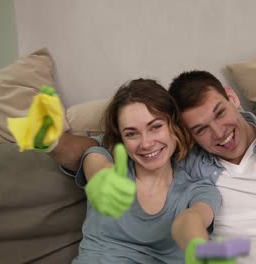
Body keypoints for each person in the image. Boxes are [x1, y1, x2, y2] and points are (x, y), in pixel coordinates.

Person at [40, 26, 256, 264]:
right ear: (184, 133)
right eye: (200, 129)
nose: (219, 133)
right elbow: (94, 151)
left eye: (220, 113)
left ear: (232, 98)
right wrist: (62, 144)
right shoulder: (188, 165)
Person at [69, 79, 225, 264]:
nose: (146, 143)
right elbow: (96, 164)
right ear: (122, 139)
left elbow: (192, 219)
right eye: (131, 133)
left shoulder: (200, 190)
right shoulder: (106, 163)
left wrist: (197, 244)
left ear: (174, 126)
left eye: (156, 127)